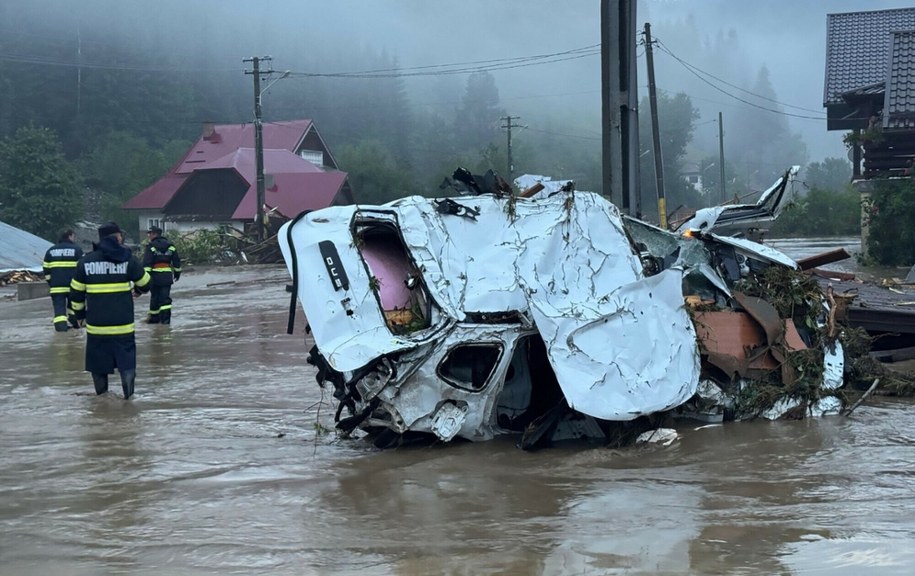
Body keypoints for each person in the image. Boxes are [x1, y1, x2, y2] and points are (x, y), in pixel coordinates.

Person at [69, 222, 150, 399]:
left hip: (97, 327)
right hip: (123, 326)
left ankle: (102, 399)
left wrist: (80, 316)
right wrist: (138, 291)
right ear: (118, 237)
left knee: (98, 364)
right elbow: (146, 283)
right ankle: (129, 398)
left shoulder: (85, 262)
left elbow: (75, 294)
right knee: (127, 363)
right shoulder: (127, 259)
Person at [42, 229, 83, 332]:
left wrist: (51, 283)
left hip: (56, 287)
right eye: (73, 236)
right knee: (73, 307)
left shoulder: (51, 251)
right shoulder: (77, 250)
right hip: (73, 286)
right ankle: (76, 325)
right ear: (70, 236)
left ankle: (61, 329)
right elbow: (82, 268)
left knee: (59, 310)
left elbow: (46, 270)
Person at [142, 225, 182, 324]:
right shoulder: (170, 246)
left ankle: (154, 320)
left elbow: (147, 264)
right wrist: (177, 273)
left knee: (155, 297)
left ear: (154, 234)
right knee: (165, 298)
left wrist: (145, 278)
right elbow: (176, 261)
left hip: (154, 278)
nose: (148, 236)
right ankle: (166, 322)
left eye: (149, 233)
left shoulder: (150, 247)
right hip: (167, 277)